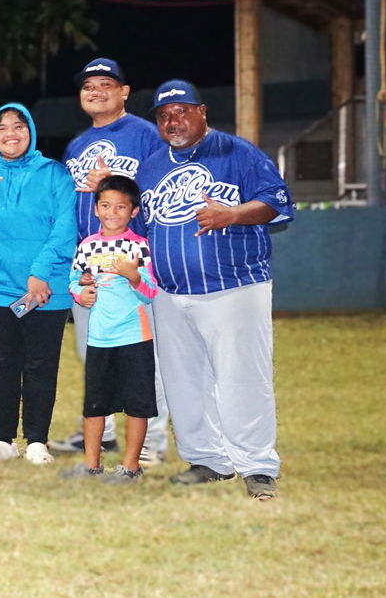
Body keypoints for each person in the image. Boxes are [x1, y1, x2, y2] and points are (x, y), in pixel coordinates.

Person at [138, 80, 292, 500]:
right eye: (165, 115)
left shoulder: (237, 152)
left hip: (234, 285)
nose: (174, 120)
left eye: (182, 111)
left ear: (202, 111)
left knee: (244, 377)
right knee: (183, 380)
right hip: (170, 292)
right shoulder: (151, 167)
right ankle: (208, 459)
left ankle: (257, 466)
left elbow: (277, 202)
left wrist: (234, 214)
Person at [53, 59, 171, 464]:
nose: (96, 90)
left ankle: (151, 443)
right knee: (95, 355)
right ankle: (101, 437)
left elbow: (161, 191)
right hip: (91, 263)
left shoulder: (145, 135)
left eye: (107, 84)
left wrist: (113, 184)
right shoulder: (78, 144)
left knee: (141, 356)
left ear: (124, 92)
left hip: (133, 264)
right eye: (88, 85)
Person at [0, 103, 77, 464]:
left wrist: (39, 273)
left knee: (41, 365)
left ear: (31, 131)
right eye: (2, 128)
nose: (11, 133)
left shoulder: (55, 174)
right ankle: (4, 441)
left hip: (44, 289)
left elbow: (65, 227)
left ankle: (37, 440)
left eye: (18, 126)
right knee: (3, 364)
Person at [60, 176, 158, 484]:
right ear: (96, 209)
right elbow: (75, 281)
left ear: (134, 211)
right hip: (99, 338)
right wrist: (81, 293)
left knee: (137, 403)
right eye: (105, 205)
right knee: (95, 404)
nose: (112, 212)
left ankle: (131, 467)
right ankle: (91, 465)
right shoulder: (87, 246)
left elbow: (151, 292)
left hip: (134, 336)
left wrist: (133, 276)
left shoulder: (139, 246)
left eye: (120, 207)